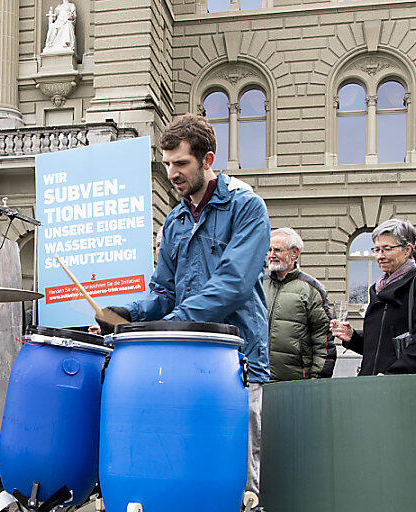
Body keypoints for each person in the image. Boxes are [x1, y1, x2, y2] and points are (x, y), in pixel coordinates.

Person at [91, 113, 271, 504]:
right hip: (180, 361)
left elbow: (233, 284)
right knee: (184, 465)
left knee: (239, 480)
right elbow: (163, 292)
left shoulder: (247, 207)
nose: (172, 173)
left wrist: (171, 323)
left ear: (208, 160)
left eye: (181, 163)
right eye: (167, 163)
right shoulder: (174, 220)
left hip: (235, 363)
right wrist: (126, 312)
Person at [331, 219, 416, 376]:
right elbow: (378, 349)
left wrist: (394, 374)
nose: (379, 256)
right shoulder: (377, 288)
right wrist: (352, 337)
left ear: (407, 250)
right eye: (376, 250)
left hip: (401, 385)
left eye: (387, 249)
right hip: (372, 382)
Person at [264, 228, 330, 381]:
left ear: (294, 253)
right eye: (269, 250)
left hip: (296, 381)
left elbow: (322, 337)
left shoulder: (311, 288)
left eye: (277, 250)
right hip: (260, 378)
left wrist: (318, 376)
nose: (271, 255)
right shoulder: (260, 284)